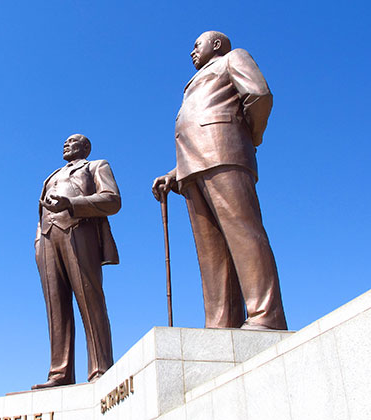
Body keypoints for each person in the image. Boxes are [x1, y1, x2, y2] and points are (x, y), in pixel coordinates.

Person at [152, 31, 287, 330]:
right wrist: (175, 172)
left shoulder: (232, 58)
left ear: (215, 44)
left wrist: (246, 136)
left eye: (196, 45)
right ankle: (221, 323)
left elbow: (259, 95)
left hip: (225, 150)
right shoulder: (192, 83)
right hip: (192, 166)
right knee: (211, 253)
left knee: (243, 232)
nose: (191, 52)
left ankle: (266, 314)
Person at [33, 134, 121, 389]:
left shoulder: (96, 166)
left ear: (85, 147)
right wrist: (38, 242)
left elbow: (112, 200)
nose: (65, 143)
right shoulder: (50, 176)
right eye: (65, 141)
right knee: (56, 307)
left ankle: (100, 367)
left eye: (72, 141)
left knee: (90, 298)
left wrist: (71, 204)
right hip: (48, 239)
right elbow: (40, 212)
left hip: (79, 230)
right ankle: (59, 373)